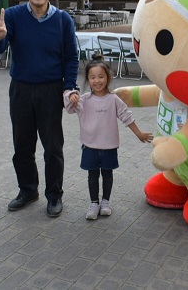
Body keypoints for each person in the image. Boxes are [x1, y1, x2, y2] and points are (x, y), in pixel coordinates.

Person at [0, 0, 79, 218]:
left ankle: (54, 195)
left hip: (51, 90)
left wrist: (69, 86)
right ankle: (28, 190)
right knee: (22, 146)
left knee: (53, 147)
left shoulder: (63, 20)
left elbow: (72, 57)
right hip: (21, 90)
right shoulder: (14, 16)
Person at [64, 55, 153, 220]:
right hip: (89, 146)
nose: (97, 81)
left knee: (107, 174)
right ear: (88, 79)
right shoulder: (83, 100)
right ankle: (93, 203)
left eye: (100, 76)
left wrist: (139, 133)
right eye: (92, 77)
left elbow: (127, 117)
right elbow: (68, 108)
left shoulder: (114, 99)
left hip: (109, 146)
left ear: (108, 77)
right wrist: (70, 94)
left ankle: (105, 202)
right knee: (92, 176)